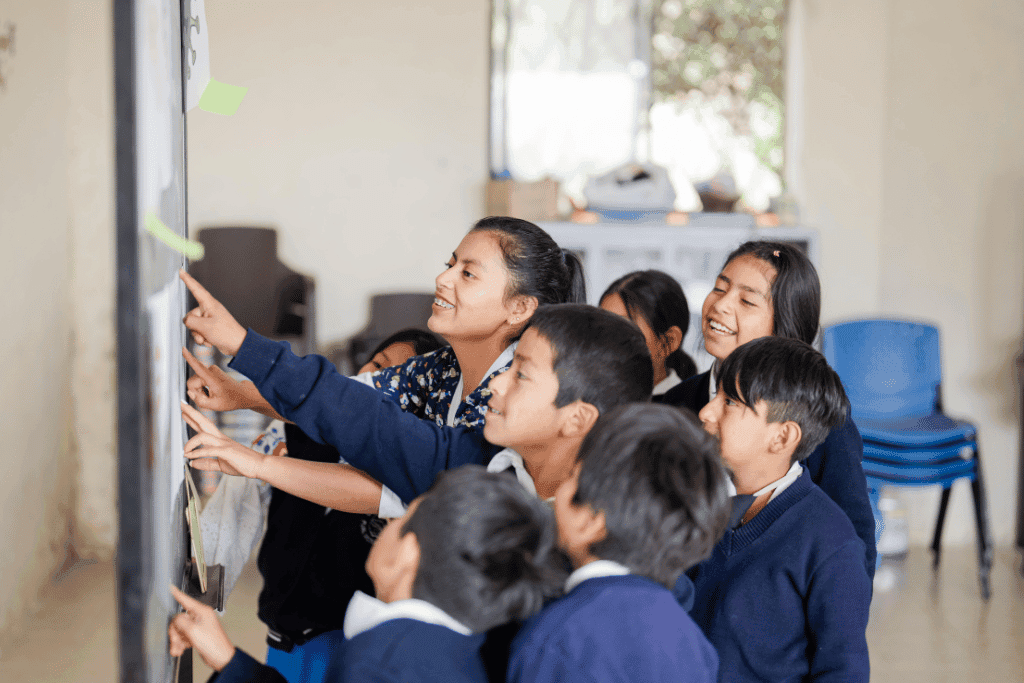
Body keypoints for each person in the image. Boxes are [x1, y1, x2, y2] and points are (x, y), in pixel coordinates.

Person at [180, 304, 653, 509]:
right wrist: (258, 462)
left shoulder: (608, 532)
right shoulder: (481, 461)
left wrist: (244, 347)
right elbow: (365, 417)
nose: (499, 386)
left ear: (577, 418)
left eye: (521, 374)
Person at [169, 466, 564, 683]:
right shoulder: (457, 650)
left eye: (399, 518)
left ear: (409, 551)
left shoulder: (380, 660)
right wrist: (228, 659)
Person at [654, 241, 877, 578]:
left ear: (783, 325)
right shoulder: (675, 406)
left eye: (746, 301)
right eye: (719, 288)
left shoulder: (823, 423)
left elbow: (854, 541)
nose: (720, 306)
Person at [248, 329, 442, 683]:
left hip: (344, 642)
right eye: (377, 366)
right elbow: (249, 502)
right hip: (281, 631)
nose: (377, 381)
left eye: (395, 382)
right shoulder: (300, 434)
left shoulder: (401, 479)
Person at [689, 336, 871, 683]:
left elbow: (843, 670)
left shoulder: (830, 544)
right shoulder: (698, 506)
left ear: (782, 438)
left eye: (729, 402)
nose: (706, 412)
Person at [507, 403, 729, 683]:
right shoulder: (694, 643)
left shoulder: (557, 637)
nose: (561, 488)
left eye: (572, 477)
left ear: (593, 521)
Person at [598, 269, 698, 394]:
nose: (606, 342)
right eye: (602, 328)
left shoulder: (681, 409)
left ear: (670, 341)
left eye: (624, 329)